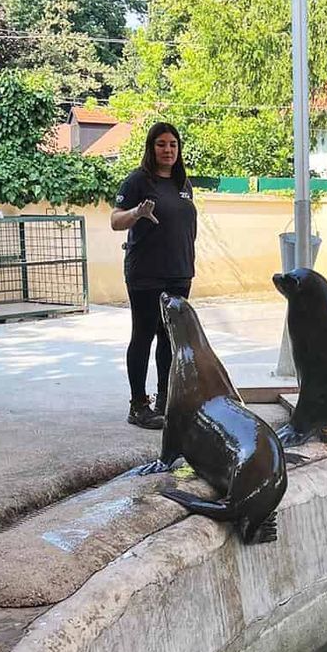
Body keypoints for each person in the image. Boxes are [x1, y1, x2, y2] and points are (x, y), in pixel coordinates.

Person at [110, 121, 197, 428]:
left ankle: (165, 399)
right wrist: (137, 213)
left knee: (170, 340)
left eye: (173, 144)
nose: (168, 150)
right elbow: (115, 221)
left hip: (179, 274)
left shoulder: (182, 183)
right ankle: (138, 405)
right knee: (144, 336)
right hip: (146, 275)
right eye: (161, 144)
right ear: (151, 147)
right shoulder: (137, 181)